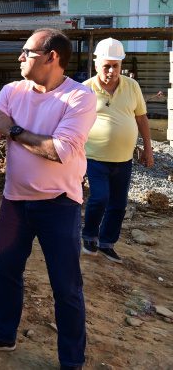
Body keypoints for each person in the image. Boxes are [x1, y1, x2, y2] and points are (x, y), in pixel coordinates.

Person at [0, 28, 96, 370]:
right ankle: (4, 333)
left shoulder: (79, 98)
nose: (20, 57)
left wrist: (13, 130)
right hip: (15, 202)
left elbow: (60, 150)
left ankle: (71, 360)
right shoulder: (11, 91)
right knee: (6, 271)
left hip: (60, 204)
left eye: (27, 52)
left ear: (52, 58)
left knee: (65, 286)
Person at [81, 38, 154, 264]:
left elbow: (141, 118)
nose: (112, 71)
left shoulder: (132, 87)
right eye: (107, 66)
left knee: (119, 204)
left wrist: (148, 149)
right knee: (100, 198)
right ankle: (89, 235)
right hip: (94, 158)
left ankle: (106, 243)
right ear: (96, 65)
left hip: (124, 160)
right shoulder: (85, 89)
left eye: (116, 66)